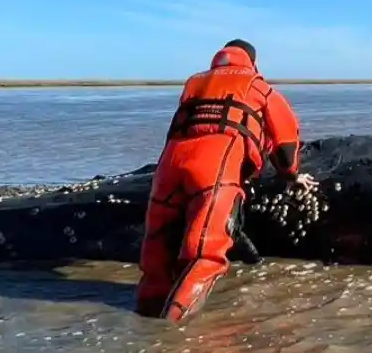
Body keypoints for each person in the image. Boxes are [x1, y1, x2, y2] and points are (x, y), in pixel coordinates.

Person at [135, 39, 316, 321]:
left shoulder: (193, 83)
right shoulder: (257, 85)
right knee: (205, 253)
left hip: (168, 169)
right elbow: (286, 139)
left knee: (157, 251)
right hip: (215, 167)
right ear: (252, 62)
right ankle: (170, 338)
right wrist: (290, 175)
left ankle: (142, 320)